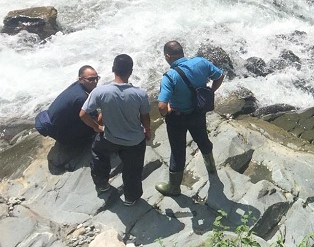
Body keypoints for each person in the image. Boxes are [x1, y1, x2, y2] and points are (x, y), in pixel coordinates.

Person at [79, 54, 151, 206]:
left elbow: (83, 114)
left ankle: (102, 184)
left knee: (98, 154)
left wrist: (97, 127)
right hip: (134, 141)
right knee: (133, 170)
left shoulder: (100, 92)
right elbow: (145, 117)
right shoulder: (140, 94)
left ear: (113, 69)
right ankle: (131, 198)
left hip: (109, 137)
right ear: (130, 72)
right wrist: (147, 130)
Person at [155, 40, 223, 196]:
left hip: (177, 118)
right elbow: (219, 76)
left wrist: (166, 112)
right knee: (203, 139)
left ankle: (174, 187)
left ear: (167, 55)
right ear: (182, 51)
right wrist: (211, 92)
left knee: (178, 151)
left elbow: (161, 106)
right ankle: (211, 169)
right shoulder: (201, 62)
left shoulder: (169, 76)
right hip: (198, 112)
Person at [34, 65, 99, 145]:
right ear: (80, 79)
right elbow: (95, 118)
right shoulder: (81, 97)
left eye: (97, 78)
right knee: (96, 124)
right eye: (91, 79)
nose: (95, 81)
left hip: (54, 125)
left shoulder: (76, 86)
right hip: (60, 134)